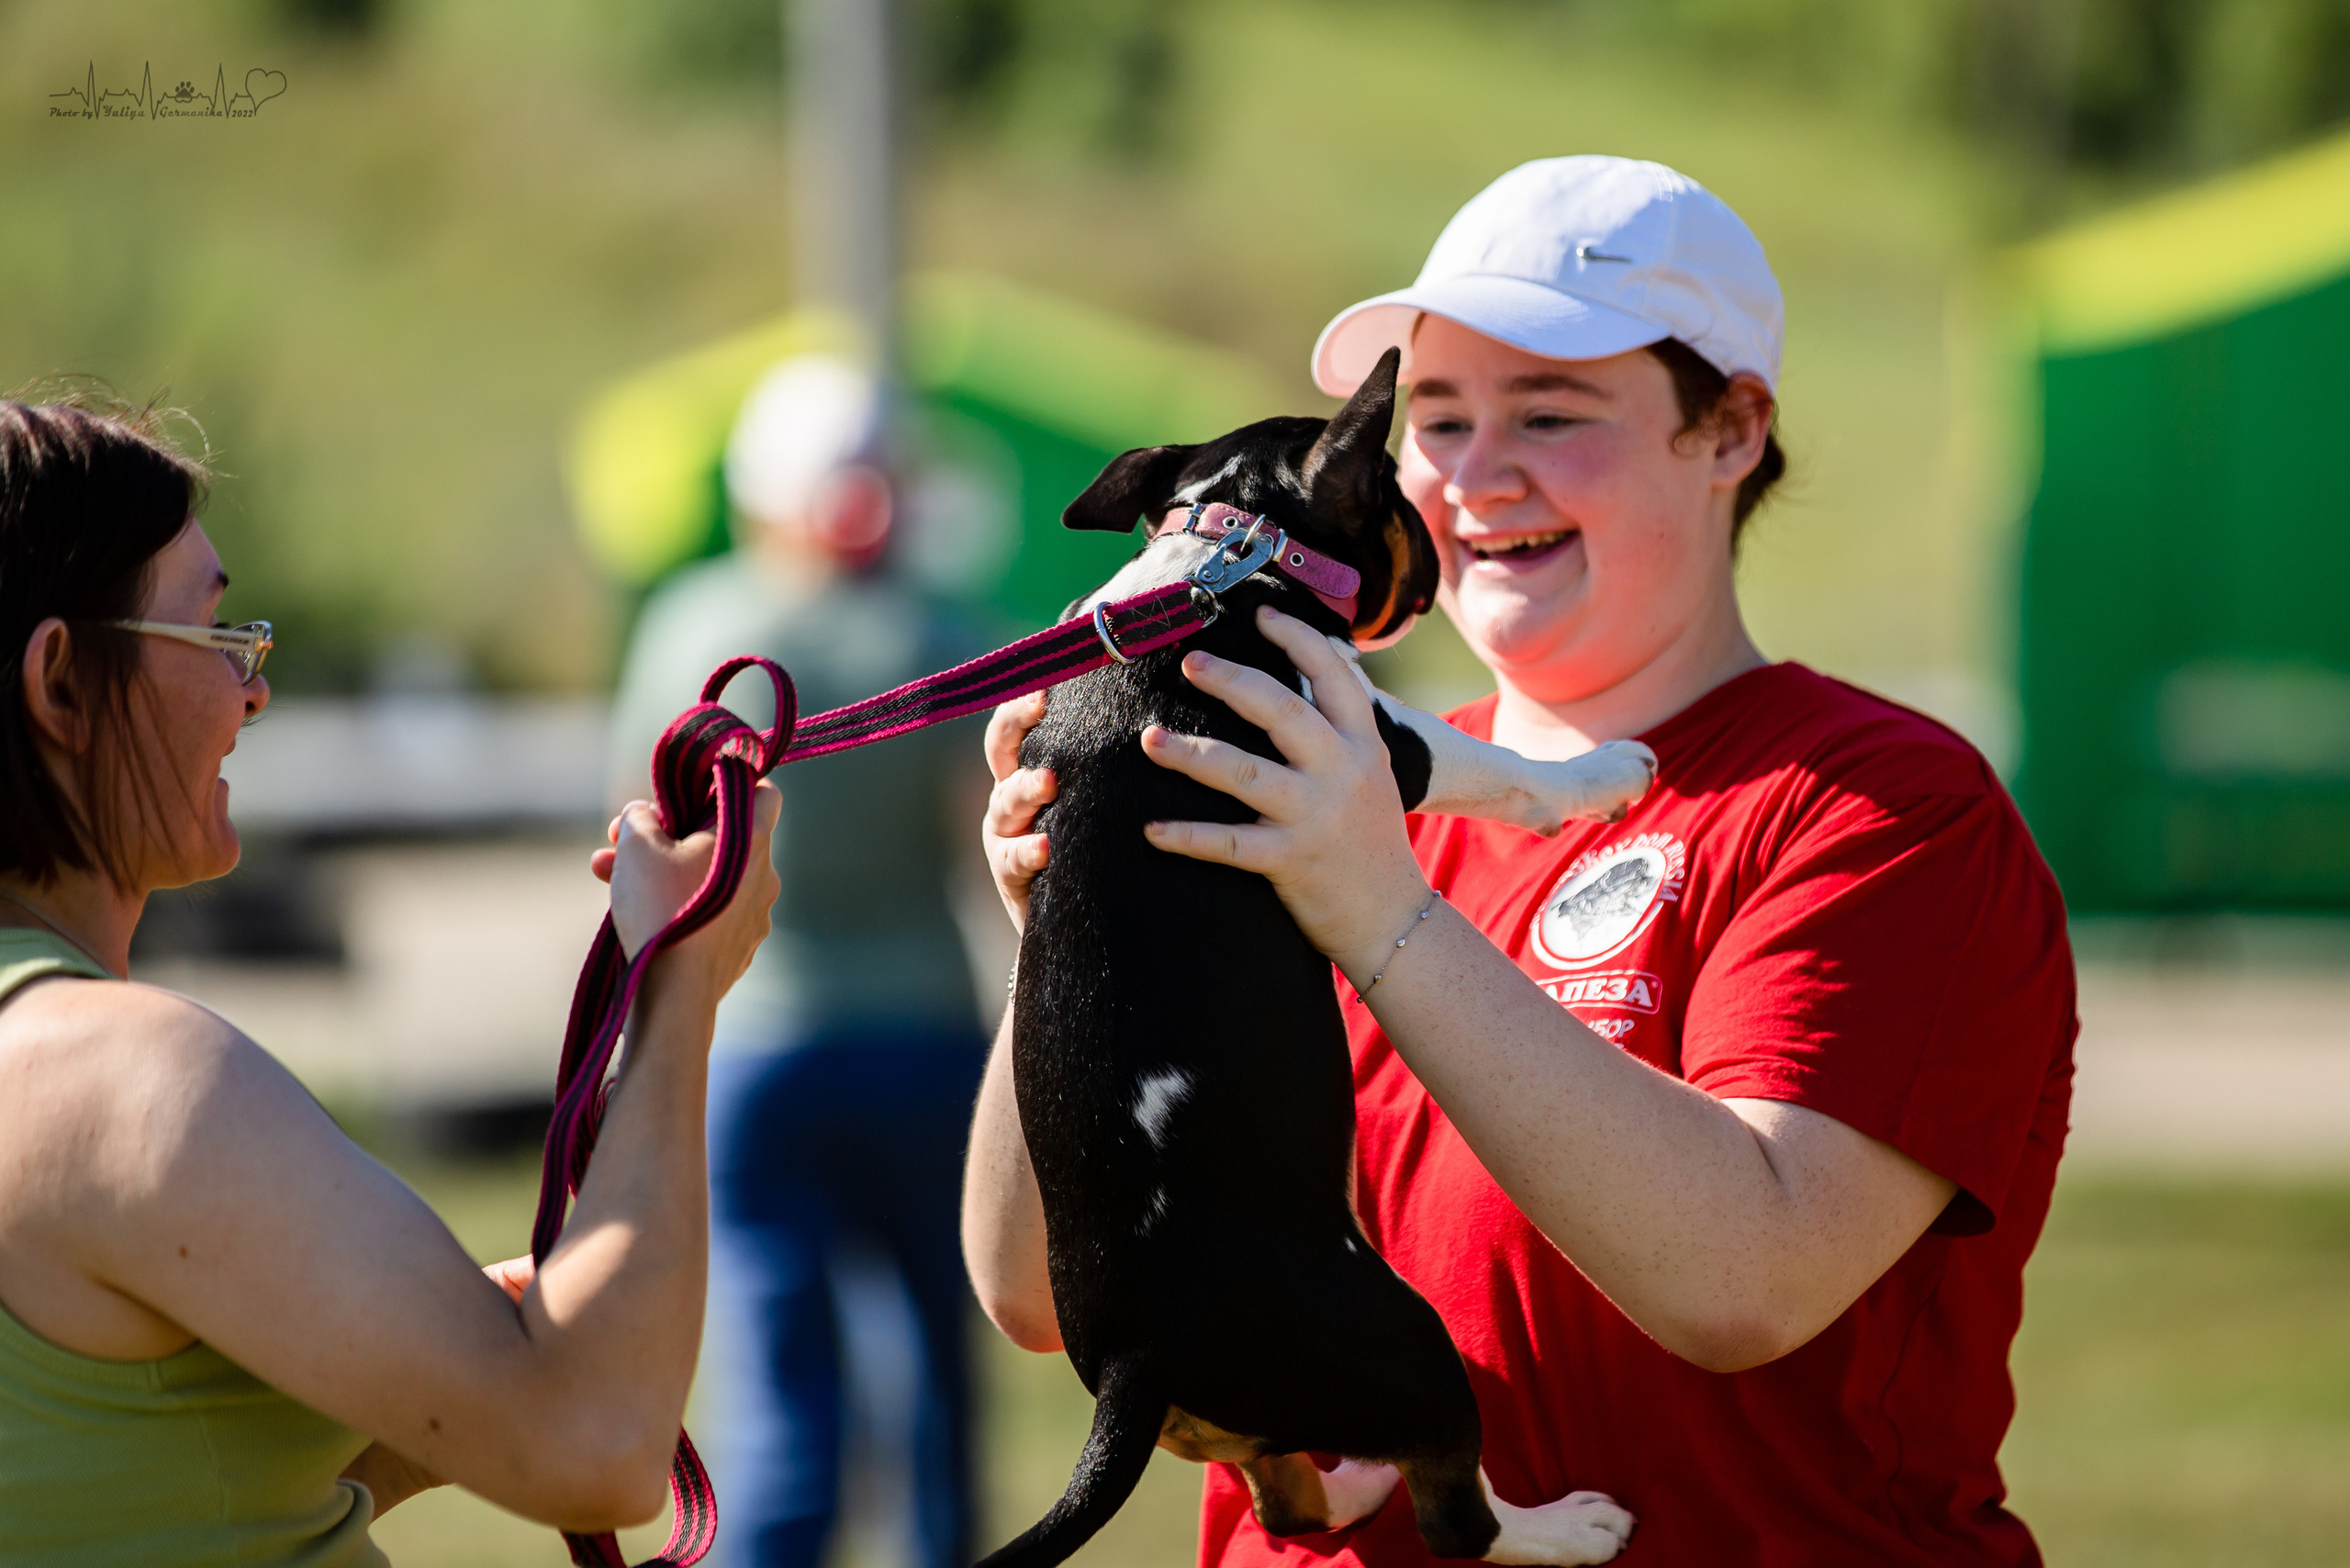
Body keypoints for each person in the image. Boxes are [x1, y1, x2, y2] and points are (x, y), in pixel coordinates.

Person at [964, 157, 2076, 1565]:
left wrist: (1382, 912)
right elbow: (1038, 1298)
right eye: (1435, 419)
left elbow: (1744, 1278)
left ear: (1730, 428)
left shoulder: (1880, 807)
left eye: (1551, 414)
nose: (1473, 480)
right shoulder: (1297, 764)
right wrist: (1074, 927)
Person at [0, 391, 780, 1563]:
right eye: (216, 638)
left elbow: (124, 1480)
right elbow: (601, 1445)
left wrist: (439, 1363)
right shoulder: (122, 1078)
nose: (252, 689)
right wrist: (679, 981)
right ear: (60, 682)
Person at [607, 356, 990, 1568]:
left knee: (777, 1406)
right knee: (942, 1399)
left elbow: (641, 835)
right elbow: (989, 847)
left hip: (754, 1046)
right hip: (930, 1040)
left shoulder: (697, 627)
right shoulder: (941, 635)